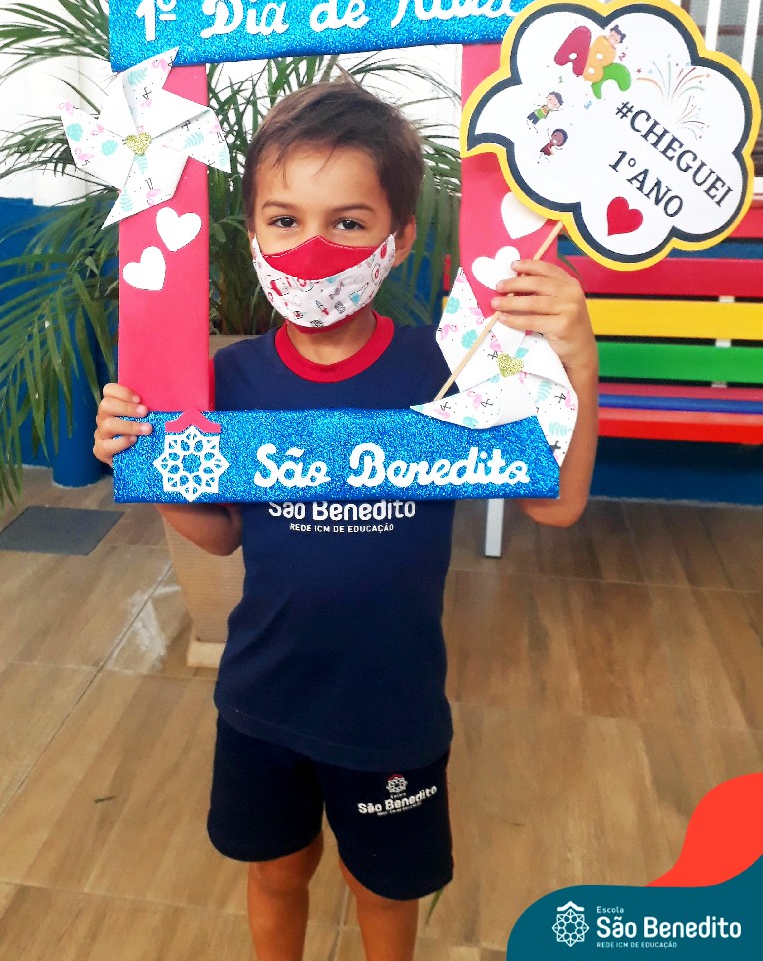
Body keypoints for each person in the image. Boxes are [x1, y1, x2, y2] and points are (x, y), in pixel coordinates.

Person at [93, 81, 599, 961]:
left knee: (384, 890)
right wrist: (147, 466)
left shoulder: (448, 368)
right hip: (263, 697)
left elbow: (555, 504)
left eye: (349, 222)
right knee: (275, 872)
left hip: (390, 708)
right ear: (252, 231)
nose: (312, 247)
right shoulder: (230, 381)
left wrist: (579, 362)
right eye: (284, 220)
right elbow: (223, 532)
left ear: (398, 241)